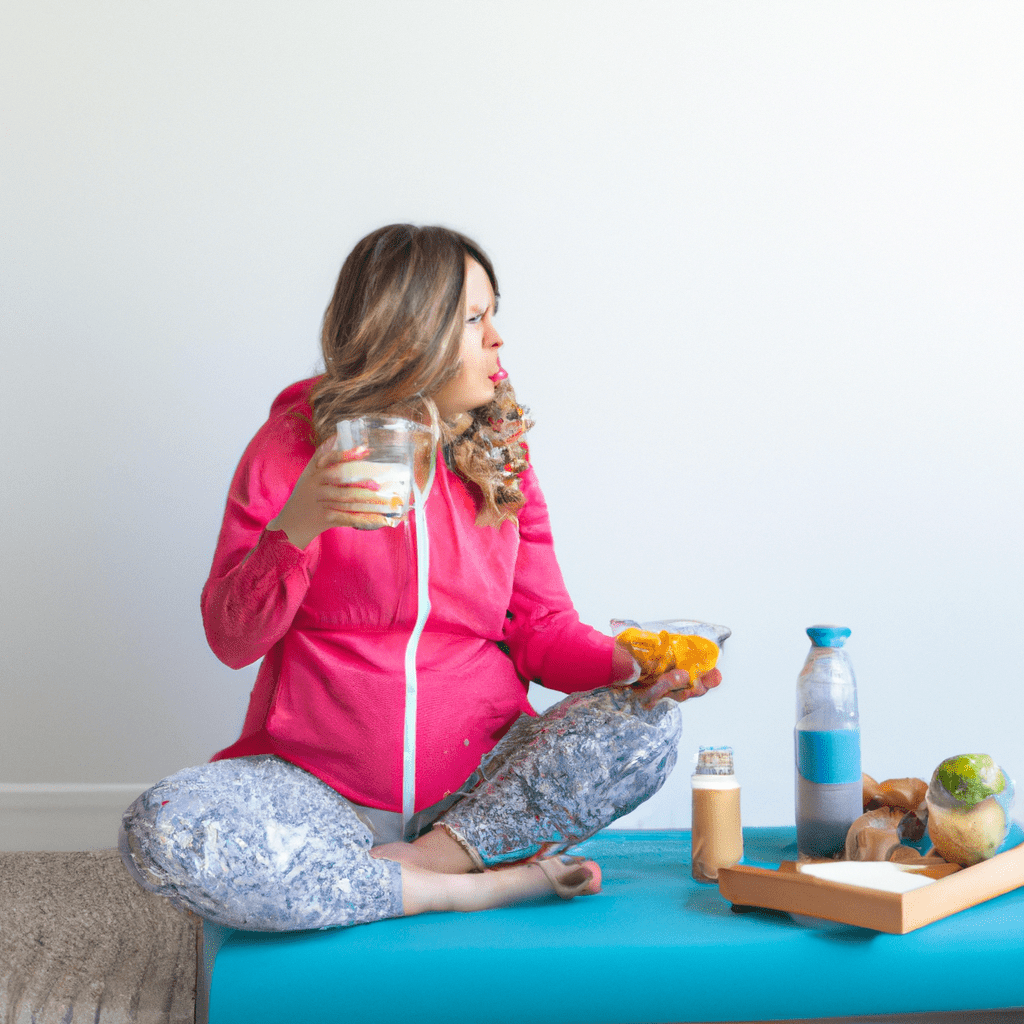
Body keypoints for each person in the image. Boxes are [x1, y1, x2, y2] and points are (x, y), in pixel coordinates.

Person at [119, 223, 722, 932]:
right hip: (317, 793)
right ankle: (471, 888)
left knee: (646, 726)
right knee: (163, 828)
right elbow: (231, 636)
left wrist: (636, 665)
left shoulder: (501, 456)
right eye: (474, 319)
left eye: (495, 314)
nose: (498, 339)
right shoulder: (295, 445)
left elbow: (543, 630)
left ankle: (433, 860)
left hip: (473, 798)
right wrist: (300, 523)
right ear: (409, 335)